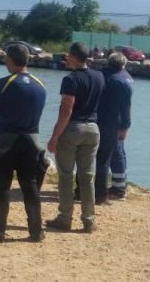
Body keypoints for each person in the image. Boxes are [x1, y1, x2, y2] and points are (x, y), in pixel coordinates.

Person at [0, 43, 47, 243]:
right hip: (31, 141)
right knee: (30, 185)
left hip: (6, 140)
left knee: (3, 186)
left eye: (6, 58)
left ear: (10, 59)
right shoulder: (40, 85)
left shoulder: (3, 83)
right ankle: (36, 231)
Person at [46, 42, 103, 233]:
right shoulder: (99, 76)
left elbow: (67, 109)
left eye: (68, 55)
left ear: (74, 57)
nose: (66, 58)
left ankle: (65, 218)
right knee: (87, 176)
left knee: (65, 175)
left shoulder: (70, 79)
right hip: (93, 129)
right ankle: (89, 220)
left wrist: (55, 136)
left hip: (73, 129)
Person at [102, 53, 133, 200]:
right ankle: (120, 185)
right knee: (119, 153)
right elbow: (127, 107)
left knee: (113, 153)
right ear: (123, 64)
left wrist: (125, 126)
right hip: (119, 121)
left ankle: (117, 189)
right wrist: (126, 125)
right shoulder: (126, 77)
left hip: (107, 120)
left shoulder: (107, 77)